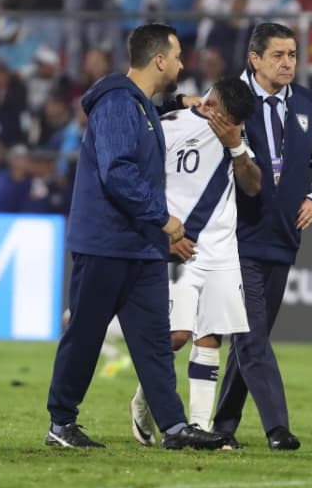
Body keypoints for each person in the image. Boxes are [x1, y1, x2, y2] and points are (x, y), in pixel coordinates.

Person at [45, 24, 224, 451]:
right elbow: (118, 172)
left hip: (140, 247)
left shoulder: (137, 105)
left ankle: (174, 427)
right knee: (85, 336)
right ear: (159, 60)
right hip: (105, 244)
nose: (181, 64)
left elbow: (147, 118)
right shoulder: (116, 104)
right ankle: (61, 422)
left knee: (154, 343)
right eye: (177, 57)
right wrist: (162, 219)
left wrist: (181, 103)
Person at [212, 23, 312, 451]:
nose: (288, 63)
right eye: (278, 55)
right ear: (255, 59)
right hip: (236, 237)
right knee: (251, 337)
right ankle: (277, 429)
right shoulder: (229, 100)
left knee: (250, 338)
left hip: (283, 238)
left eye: (293, 55)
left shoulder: (304, 103)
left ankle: (223, 426)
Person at [129, 78, 262, 445]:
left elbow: (253, 186)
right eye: (227, 119)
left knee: (211, 337)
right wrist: (162, 232)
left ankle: (201, 428)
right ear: (210, 105)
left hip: (221, 250)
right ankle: (143, 401)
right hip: (179, 246)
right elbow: (142, 181)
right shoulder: (170, 125)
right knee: (175, 336)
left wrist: (235, 145)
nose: (230, 126)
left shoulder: (236, 136)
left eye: (236, 123)